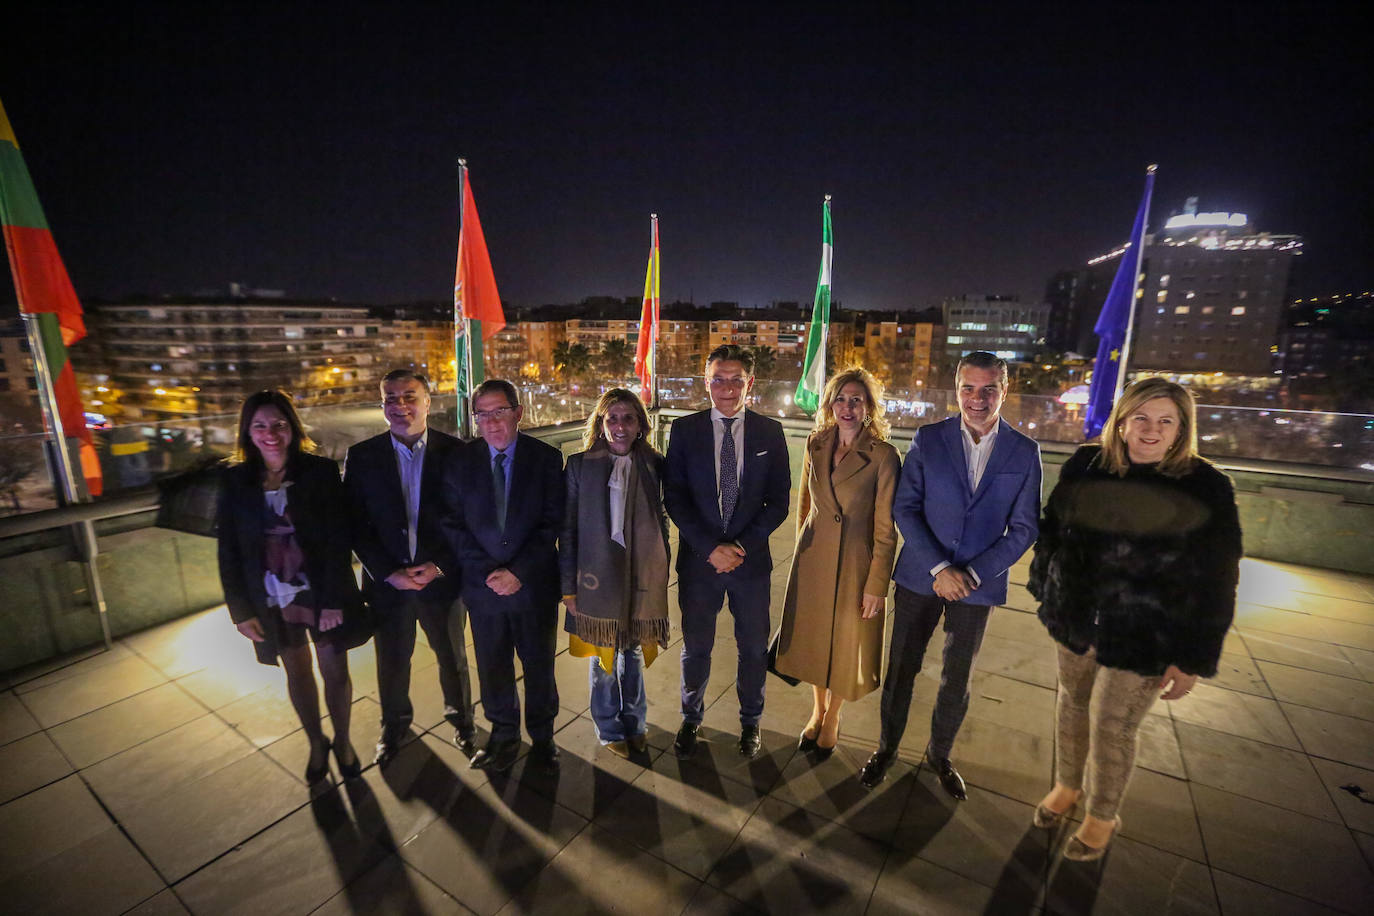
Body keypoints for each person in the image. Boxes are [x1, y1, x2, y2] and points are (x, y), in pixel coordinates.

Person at [1028, 377, 1241, 860]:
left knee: (1113, 724)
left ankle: (1103, 814)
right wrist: (1049, 589)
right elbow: (1052, 528)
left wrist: (1194, 657)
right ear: (1122, 420)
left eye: (1166, 421)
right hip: (1078, 619)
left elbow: (1219, 579)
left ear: (1181, 429)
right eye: (1141, 417)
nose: (1151, 430)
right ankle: (1067, 786)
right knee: (1072, 704)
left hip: (1150, 634)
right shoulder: (1087, 464)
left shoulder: (1206, 486)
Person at [861, 351, 1041, 796]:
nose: (977, 399)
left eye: (988, 389)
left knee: (956, 678)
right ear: (956, 389)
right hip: (921, 577)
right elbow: (905, 507)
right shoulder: (929, 438)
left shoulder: (1024, 451)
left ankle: (939, 755)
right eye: (968, 388)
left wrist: (972, 575)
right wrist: (941, 568)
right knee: (902, 669)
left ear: (1004, 389)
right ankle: (886, 749)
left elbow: (1024, 528)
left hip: (977, 589)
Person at [216, 389, 367, 783]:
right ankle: (317, 743)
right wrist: (240, 610)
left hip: (320, 592)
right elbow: (228, 549)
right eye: (260, 425)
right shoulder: (235, 481)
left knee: (335, 671)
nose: (271, 433)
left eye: (279, 424)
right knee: (296, 673)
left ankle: (344, 740)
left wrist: (334, 599)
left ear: (293, 428)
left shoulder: (318, 471)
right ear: (247, 432)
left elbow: (339, 540)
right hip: (271, 597)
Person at [664, 344, 791, 759]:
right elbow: (675, 498)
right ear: (706, 381)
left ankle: (751, 722)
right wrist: (709, 548)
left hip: (750, 565)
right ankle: (690, 718)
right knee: (696, 647)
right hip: (700, 565)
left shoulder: (770, 433)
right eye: (718, 378)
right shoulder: (684, 431)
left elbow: (779, 502)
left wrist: (738, 546)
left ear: (749, 383)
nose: (727, 387)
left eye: (736, 379)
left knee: (752, 649)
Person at [344, 369, 476, 767]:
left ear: (428, 402)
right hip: (388, 585)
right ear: (382, 404)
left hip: (442, 581)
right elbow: (354, 523)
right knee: (392, 659)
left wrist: (439, 566)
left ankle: (463, 720)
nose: (400, 405)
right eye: (391, 397)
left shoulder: (457, 453)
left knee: (452, 656)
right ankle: (395, 724)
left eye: (409, 396)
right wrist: (387, 571)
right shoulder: (363, 456)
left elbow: (470, 521)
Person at [775, 368, 900, 759]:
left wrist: (877, 584)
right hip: (814, 559)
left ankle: (833, 717)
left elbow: (886, 528)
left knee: (847, 644)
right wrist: (802, 551)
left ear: (869, 408)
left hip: (855, 564)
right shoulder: (816, 442)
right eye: (841, 399)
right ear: (830, 404)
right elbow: (805, 508)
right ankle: (817, 711)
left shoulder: (883, 456)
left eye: (856, 400)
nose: (847, 407)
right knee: (814, 640)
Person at [443, 379, 564, 774]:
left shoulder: (546, 458)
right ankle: (503, 734)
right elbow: (452, 525)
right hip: (483, 590)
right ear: (475, 418)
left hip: (533, 588)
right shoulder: (461, 461)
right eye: (483, 414)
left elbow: (552, 523)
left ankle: (543, 738)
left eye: (500, 411)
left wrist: (518, 571)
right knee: (492, 665)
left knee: (539, 665)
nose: (492, 421)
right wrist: (489, 572)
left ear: (518, 412)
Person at [560, 389, 671, 759]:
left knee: (633, 652)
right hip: (596, 577)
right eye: (612, 418)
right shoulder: (578, 466)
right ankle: (609, 726)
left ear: (640, 425)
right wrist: (568, 589)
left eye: (628, 418)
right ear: (600, 422)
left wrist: (659, 567)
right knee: (603, 655)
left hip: (639, 575)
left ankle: (635, 722)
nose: (620, 426)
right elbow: (568, 529)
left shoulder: (654, 465)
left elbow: (663, 523)